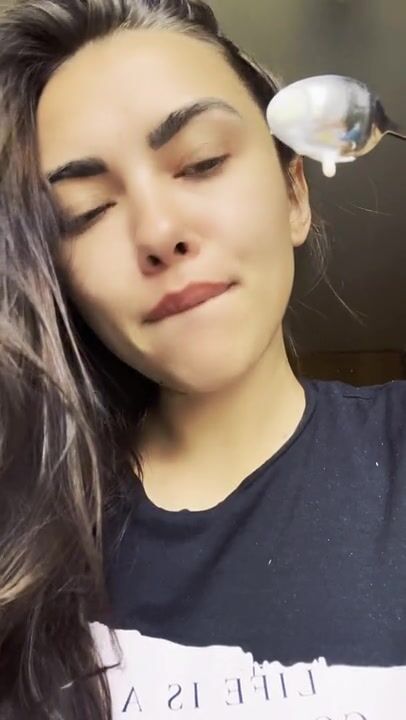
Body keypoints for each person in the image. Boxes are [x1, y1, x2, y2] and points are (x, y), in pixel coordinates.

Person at [1, 0, 406, 718]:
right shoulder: (20, 535)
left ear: (294, 193)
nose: (159, 231)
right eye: (87, 211)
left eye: (202, 162)